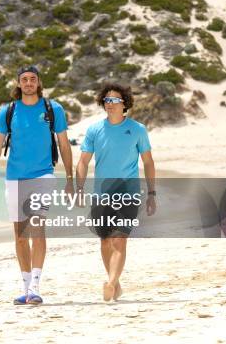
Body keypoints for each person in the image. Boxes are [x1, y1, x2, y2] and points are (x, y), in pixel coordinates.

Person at [0, 65, 74, 305]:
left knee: (37, 229)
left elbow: (64, 145)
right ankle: (25, 287)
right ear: (19, 83)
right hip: (14, 177)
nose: (29, 83)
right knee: (20, 235)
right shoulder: (8, 111)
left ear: (39, 82)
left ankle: (35, 284)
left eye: (33, 79)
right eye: (25, 79)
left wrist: (71, 179)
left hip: (43, 175)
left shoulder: (53, 109)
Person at [75, 83, 156, 302]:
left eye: (115, 100)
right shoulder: (94, 130)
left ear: (125, 104)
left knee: (119, 239)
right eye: (107, 100)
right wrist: (79, 187)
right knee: (105, 241)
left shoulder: (137, 129)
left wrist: (152, 193)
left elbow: (148, 162)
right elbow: (83, 161)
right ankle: (115, 282)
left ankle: (110, 283)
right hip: (101, 194)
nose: (110, 104)